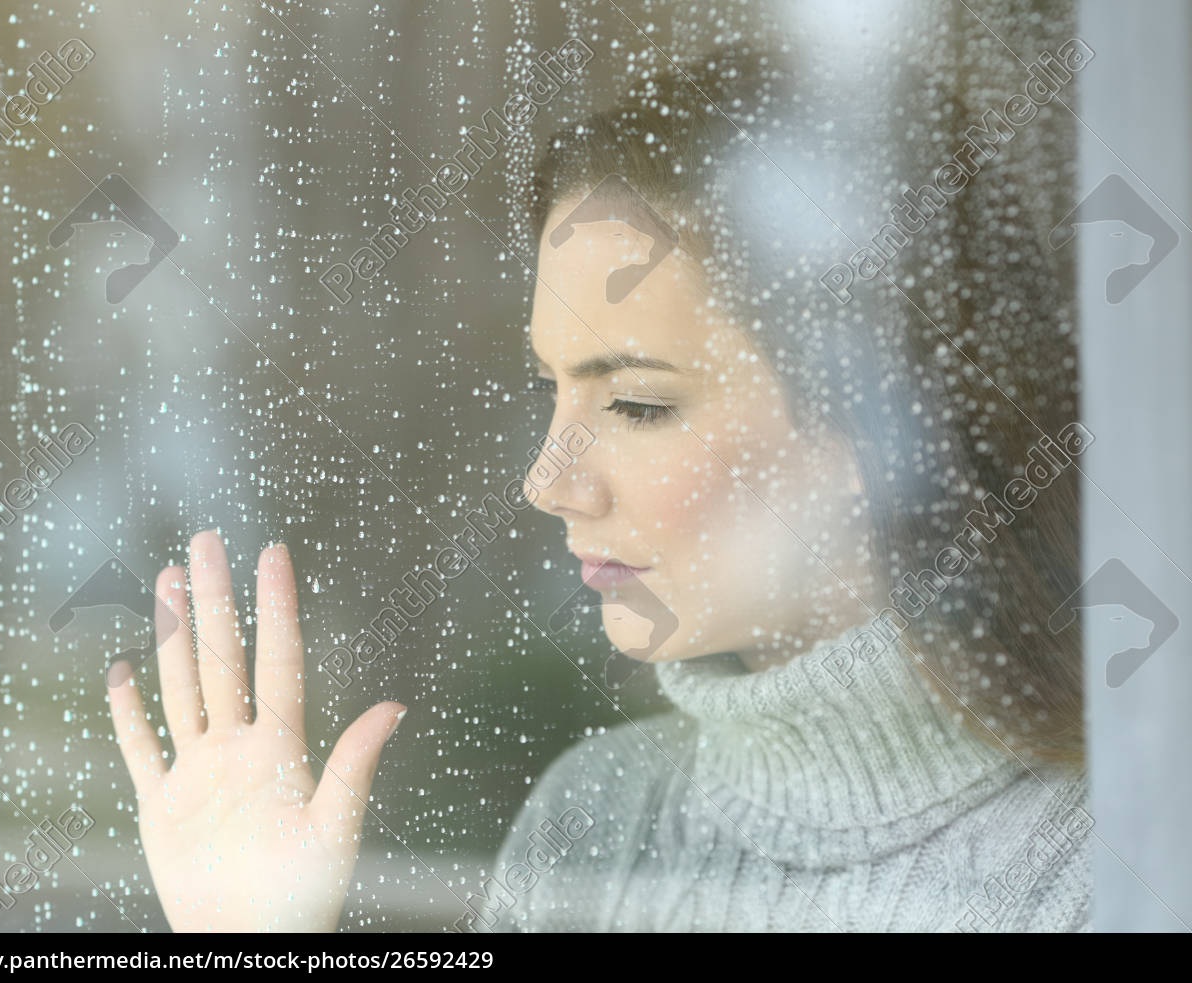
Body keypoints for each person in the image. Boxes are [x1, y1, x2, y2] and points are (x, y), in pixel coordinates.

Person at [106, 50, 1091, 932]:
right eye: (551, 385)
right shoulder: (593, 821)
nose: (547, 481)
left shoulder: (1113, 860)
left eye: (635, 401)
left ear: (878, 416)